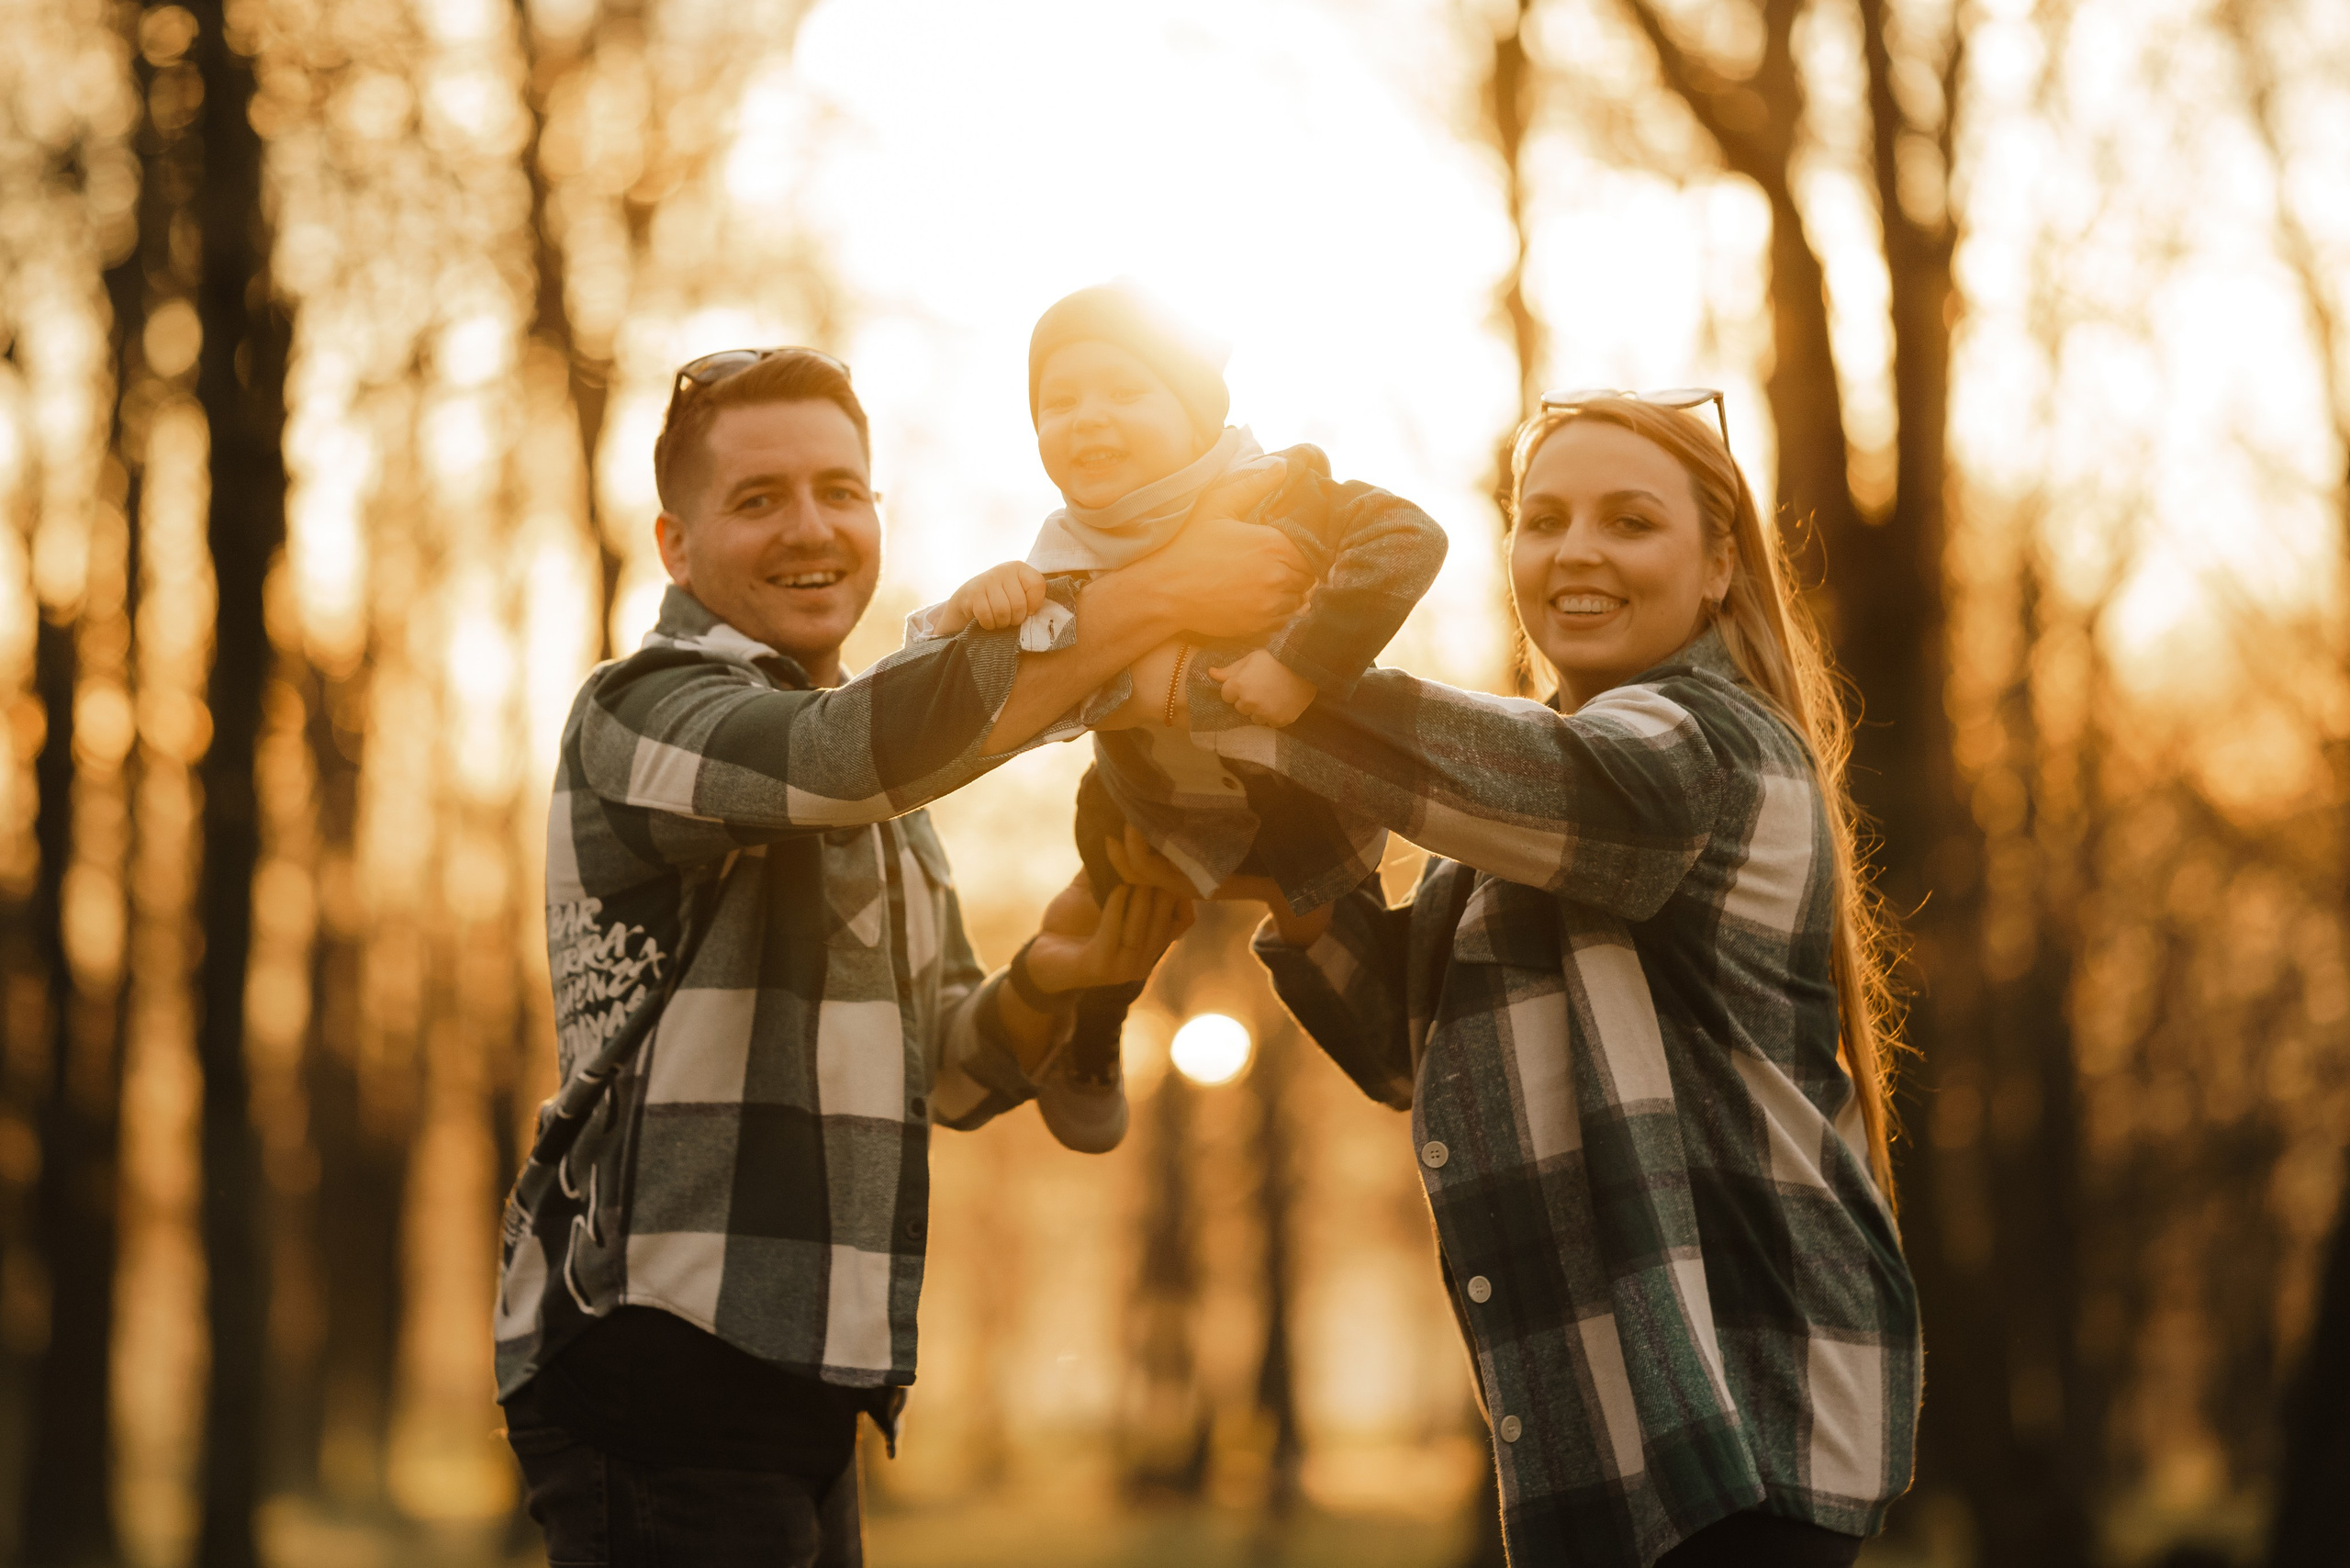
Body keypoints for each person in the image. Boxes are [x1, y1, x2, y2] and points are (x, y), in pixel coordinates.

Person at [492, 346, 1308, 1568]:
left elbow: (945, 1074)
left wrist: (1054, 974)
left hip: (801, 1379)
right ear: (675, 544)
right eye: (758, 499)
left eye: (840, 490)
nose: (810, 527)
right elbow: (836, 756)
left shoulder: (888, 792)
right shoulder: (643, 710)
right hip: (658, 1354)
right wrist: (1143, 596)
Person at [1118, 388, 1920, 1565]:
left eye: (1629, 521)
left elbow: (1534, 778)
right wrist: (1276, 856)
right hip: (1606, 1427)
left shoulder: (1713, 749)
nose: (1575, 550)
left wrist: (1204, 668)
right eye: (1542, 520)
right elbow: (1408, 1044)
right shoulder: (1508, 821)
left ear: (1717, 573)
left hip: (1748, 1400)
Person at [909, 280, 1448, 1153]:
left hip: (1297, 814)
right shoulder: (1069, 550)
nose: (1087, 417)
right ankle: (1094, 1035)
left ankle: (1418, 1057)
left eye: (1125, 392)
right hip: (1150, 811)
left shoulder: (1284, 490)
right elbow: (1006, 660)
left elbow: (1407, 537)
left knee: (1343, 960)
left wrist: (1301, 662)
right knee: (1089, 911)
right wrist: (983, 598)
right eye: (1059, 400)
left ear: (1198, 415)